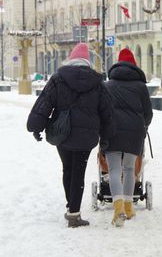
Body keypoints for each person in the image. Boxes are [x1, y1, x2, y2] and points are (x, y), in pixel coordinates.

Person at [27, 43, 114, 228]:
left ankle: (71, 207)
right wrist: (106, 137)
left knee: (67, 169)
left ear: (71, 59)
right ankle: (74, 212)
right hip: (87, 136)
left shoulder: (58, 79)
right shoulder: (97, 83)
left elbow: (44, 103)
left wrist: (36, 127)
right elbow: (107, 113)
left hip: (62, 134)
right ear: (87, 62)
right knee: (78, 172)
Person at [101, 48, 153, 227]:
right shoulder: (140, 87)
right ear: (134, 66)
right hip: (134, 131)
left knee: (114, 170)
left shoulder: (107, 86)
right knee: (130, 169)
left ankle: (118, 209)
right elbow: (148, 113)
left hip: (111, 131)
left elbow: (102, 111)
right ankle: (129, 207)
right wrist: (143, 125)